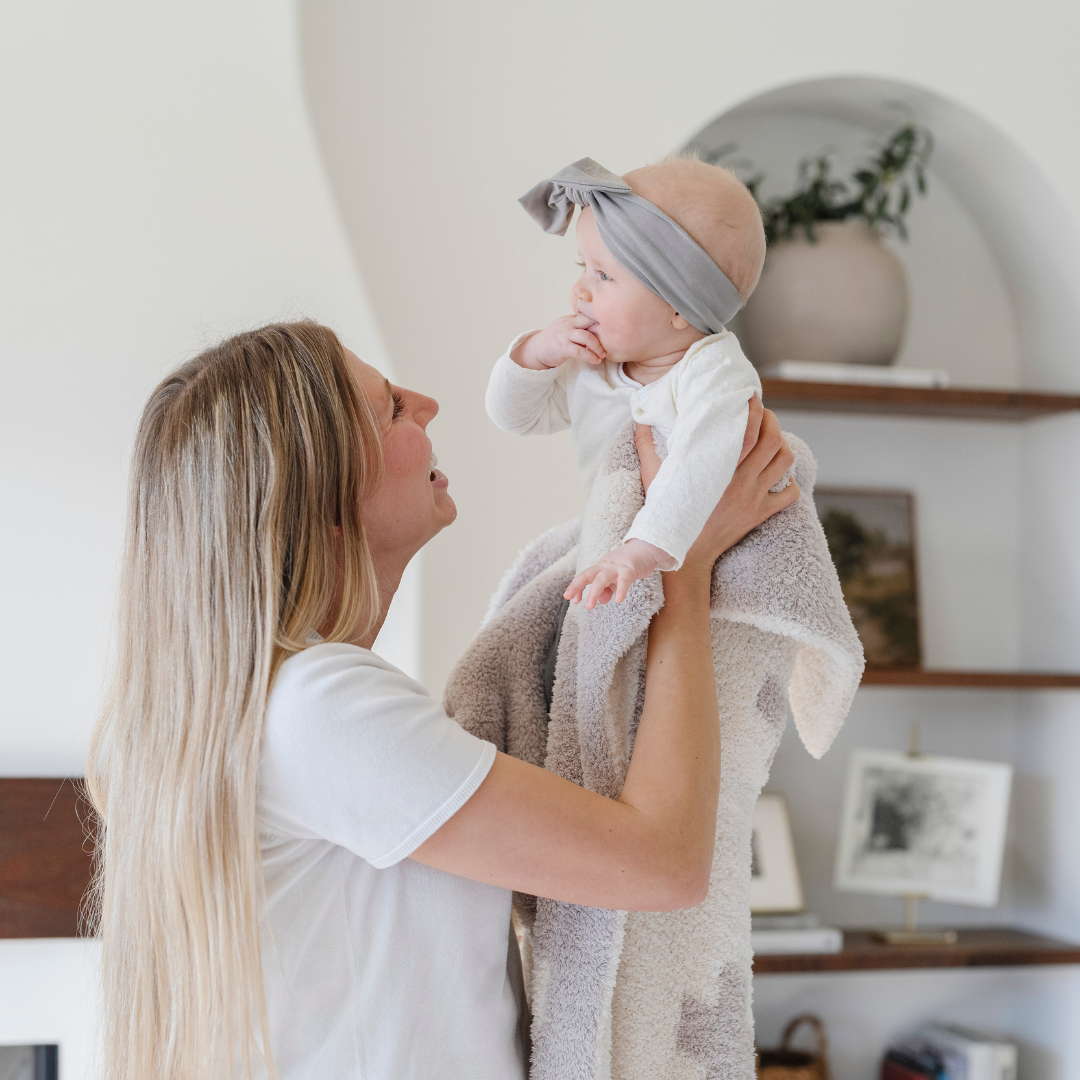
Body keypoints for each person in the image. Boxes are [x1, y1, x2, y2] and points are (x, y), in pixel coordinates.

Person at [86, 321, 797, 1080]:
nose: (426, 404)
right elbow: (664, 867)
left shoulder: (272, 709)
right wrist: (680, 560)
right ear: (325, 498)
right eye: (392, 408)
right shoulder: (321, 707)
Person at [486, 155, 767, 608]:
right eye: (583, 266)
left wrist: (641, 549)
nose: (580, 290)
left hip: (701, 564)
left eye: (603, 275)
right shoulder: (591, 364)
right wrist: (534, 354)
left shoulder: (714, 375)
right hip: (614, 551)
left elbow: (699, 466)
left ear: (680, 306)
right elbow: (516, 418)